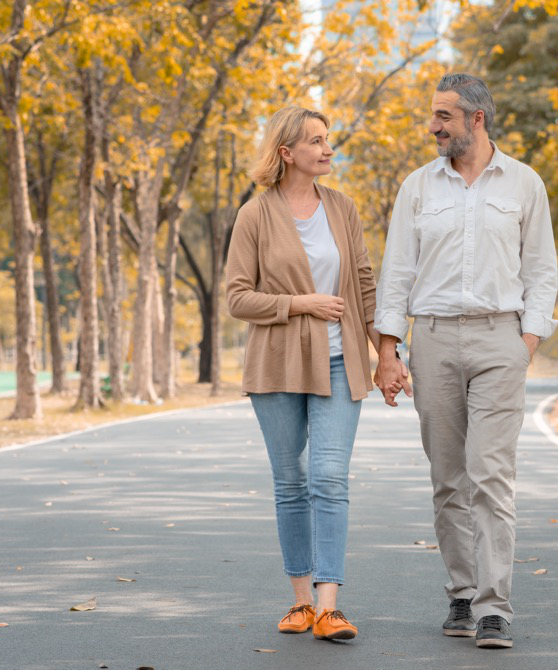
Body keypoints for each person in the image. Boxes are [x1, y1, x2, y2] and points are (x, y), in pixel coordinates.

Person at [374, 74, 558, 649]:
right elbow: (398, 269)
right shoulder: (418, 188)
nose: (434, 126)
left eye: (444, 117)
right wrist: (388, 347)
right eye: (433, 115)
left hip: (500, 340)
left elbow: (542, 271)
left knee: (491, 475)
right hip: (432, 339)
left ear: (477, 119)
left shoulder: (525, 184)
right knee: (448, 478)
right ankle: (460, 593)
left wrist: (525, 342)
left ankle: (494, 607)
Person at [226, 106, 383, 642]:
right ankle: (299, 603)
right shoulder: (255, 215)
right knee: (291, 483)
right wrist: (300, 303)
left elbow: (364, 283)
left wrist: (387, 352)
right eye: (316, 141)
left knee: (329, 478)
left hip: (341, 364)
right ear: (287, 152)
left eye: (328, 140)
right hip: (276, 367)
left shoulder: (342, 208)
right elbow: (237, 298)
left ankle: (330, 605)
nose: (328, 149)